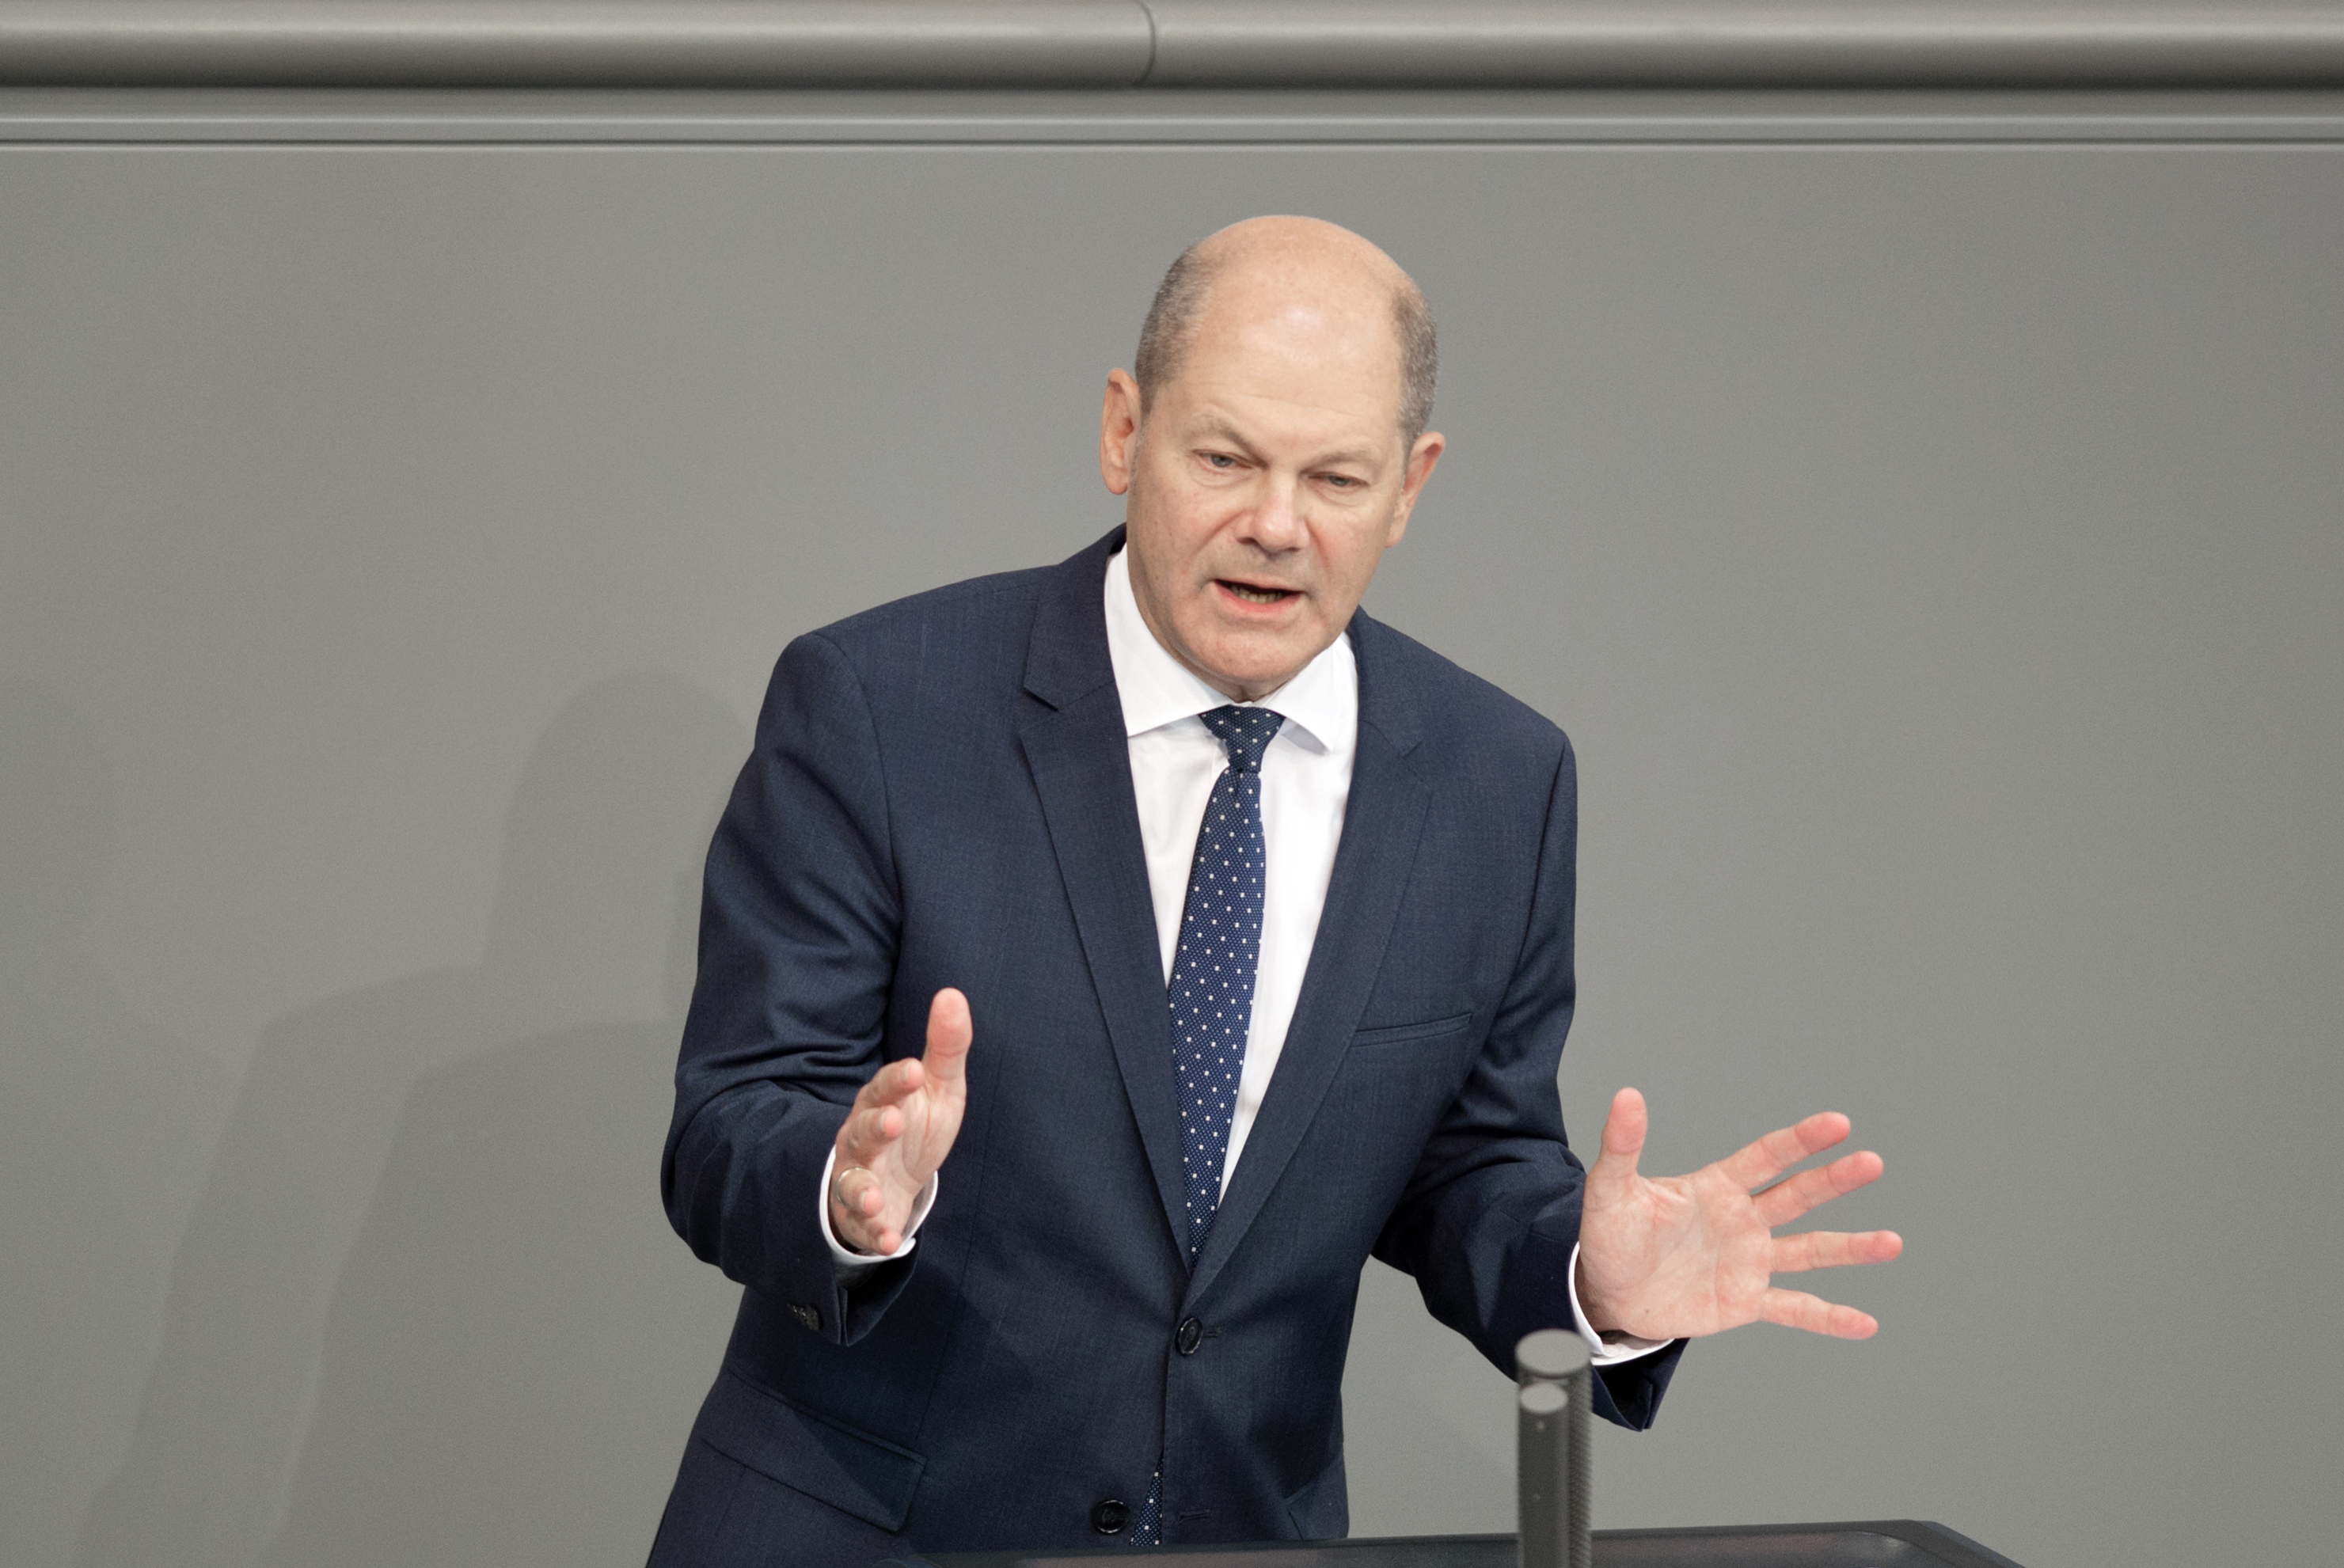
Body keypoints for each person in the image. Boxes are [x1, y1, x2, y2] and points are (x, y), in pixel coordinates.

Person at [650, 217, 1901, 1567]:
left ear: (1410, 486)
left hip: (1244, 1537)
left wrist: (1593, 1284)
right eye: (1225, 457)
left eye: (1337, 478)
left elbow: (1469, 1167)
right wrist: (844, 1189)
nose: (1276, 526)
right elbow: (731, 1118)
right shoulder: (882, 704)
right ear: (1125, 431)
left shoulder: (1499, 778)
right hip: (864, 1535)